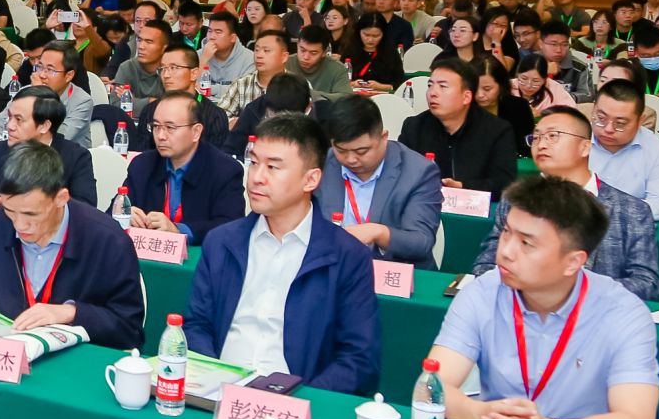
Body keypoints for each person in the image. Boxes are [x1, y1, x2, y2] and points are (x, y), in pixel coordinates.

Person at [428, 174, 659, 419]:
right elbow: (430, 386)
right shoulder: (482, 292)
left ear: (573, 262)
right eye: (506, 232)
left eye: (526, 243)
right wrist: (483, 415)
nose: (506, 251)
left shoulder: (625, 314)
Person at [184, 113, 381, 395]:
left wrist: (298, 400)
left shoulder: (347, 256)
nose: (256, 178)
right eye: (254, 163)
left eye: (273, 167)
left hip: (297, 402)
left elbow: (358, 359)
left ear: (310, 180)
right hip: (219, 395)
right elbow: (196, 325)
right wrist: (213, 381)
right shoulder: (222, 242)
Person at [0, 140, 144, 349]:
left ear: (61, 198)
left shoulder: (107, 241)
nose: (19, 225)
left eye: (31, 214)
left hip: (73, 360)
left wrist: (72, 313)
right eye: (10, 211)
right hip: (8, 353)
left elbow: (129, 330)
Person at [468, 107, 659, 300]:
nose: (541, 144)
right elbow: (486, 264)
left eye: (553, 136)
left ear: (585, 147)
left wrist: (575, 292)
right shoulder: (514, 200)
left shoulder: (631, 210)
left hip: (596, 312)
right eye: (536, 137)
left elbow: (646, 282)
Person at [314, 96, 444, 267]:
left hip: (393, 270)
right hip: (333, 265)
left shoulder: (418, 172)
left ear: (383, 137)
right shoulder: (321, 163)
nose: (351, 159)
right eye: (341, 150)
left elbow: (421, 242)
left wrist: (379, 233)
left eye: (361, 151)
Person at [115, 91, 244, 244]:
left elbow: (231, 225)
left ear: (196, 132)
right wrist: (124, 215)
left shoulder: (225, 170)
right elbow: (112, 211)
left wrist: (179, 230)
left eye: (170, 127)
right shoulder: (142, 165)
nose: (161, 136)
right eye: (156, 126)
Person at [398, 58, 520, 197]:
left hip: (476, 208)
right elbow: (398, 174)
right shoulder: (414, 127)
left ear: (466, 97)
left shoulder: (497, 130)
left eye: (443, 86)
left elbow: (505, 183)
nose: (432, 93)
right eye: (430, 85)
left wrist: (463, 187)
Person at [0, 87, 96, 215]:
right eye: (10, 117)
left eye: (19, 120)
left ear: (44, 126)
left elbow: (85, 208)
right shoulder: (0, 150)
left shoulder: (75, 157)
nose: (9, 126)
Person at [588, 78, 659, 224]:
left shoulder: (658, 149)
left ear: (640, 121)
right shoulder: (574, 138)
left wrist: (610, 208)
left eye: (620, 123)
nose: (608, 129)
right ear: (593, 110)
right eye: (601, 118)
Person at [108, 18, 172, 104]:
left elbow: (174, 105)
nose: (141, 46)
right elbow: (115, 104)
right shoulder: (127, 67)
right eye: (139, 40)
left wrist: (133, 101)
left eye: (149, 42)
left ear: (164, 48)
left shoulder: (173, 69)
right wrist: (150, 101)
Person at [286, 25, 352, 101]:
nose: (306, 57)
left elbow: (346, 97)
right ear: (297, 44)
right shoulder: (285, 63)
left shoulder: (337, 69)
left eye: (313, 53)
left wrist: (309, 94)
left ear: (324, 52)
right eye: (302, 50)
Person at [200, 12, 255, 87]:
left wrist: (207, 89)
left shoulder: (249, 59)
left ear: (233, 38)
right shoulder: (197, 56)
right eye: (210, 31)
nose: (212, 37)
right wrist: (203, 60)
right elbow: (191, 87)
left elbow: (243, 90)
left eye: (218, 32)